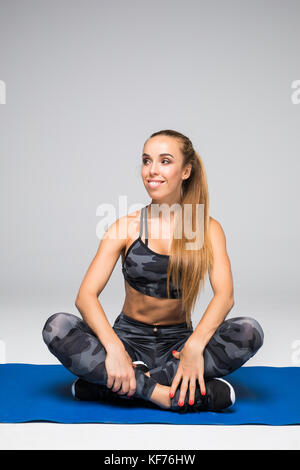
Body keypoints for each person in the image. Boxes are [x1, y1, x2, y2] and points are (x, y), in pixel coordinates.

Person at [42, 129, 264, 413]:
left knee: (249, 331)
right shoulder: (125, 226)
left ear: (186, 170)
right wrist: (115, 350)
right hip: (128, 340)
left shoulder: (205, 228)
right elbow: (86, 296)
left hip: (179, 344)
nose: (152, 170)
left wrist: (194, 347)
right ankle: (167, 394)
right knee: (58, 326)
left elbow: (225, 296)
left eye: (165, 161)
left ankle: (109, 387)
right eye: (147, 161)